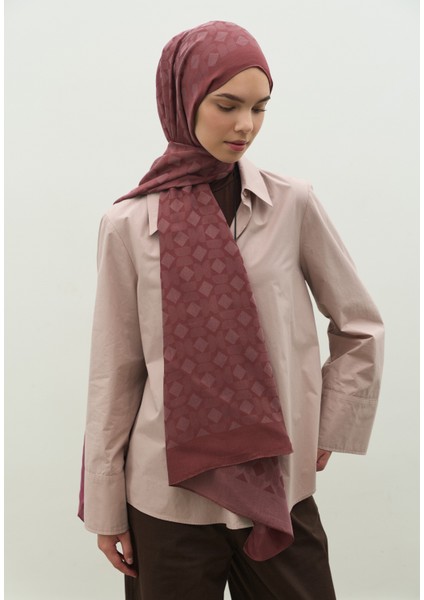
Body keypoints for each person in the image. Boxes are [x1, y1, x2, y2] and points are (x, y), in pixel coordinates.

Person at [78, 20, 384, 600]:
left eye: (260, 108)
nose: (246, 125)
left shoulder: (292, 204)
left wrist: (329, 423)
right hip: (167, 498)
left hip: (278, 485)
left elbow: (359, 324)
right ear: (183, 99)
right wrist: (105, 504)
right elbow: (115, 372)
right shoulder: (128, 224)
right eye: (227, 105)